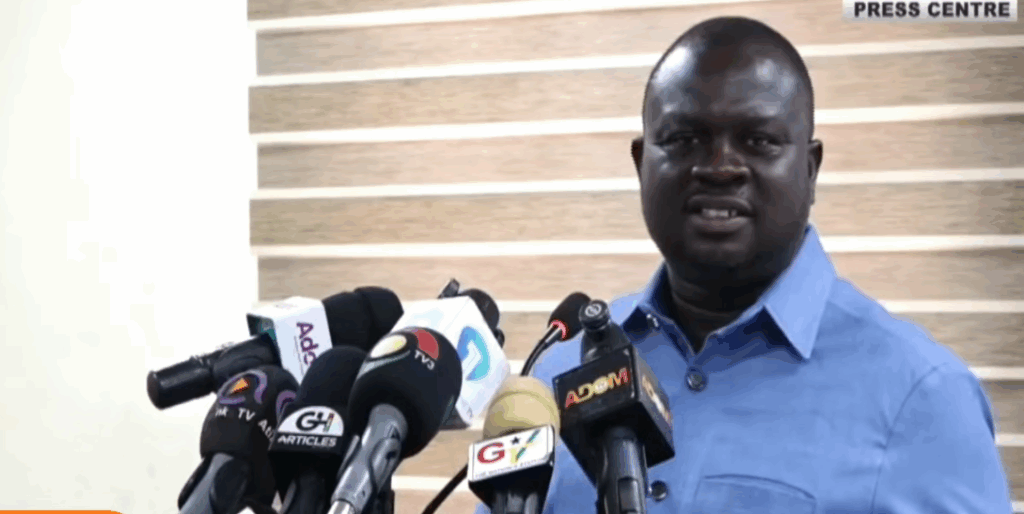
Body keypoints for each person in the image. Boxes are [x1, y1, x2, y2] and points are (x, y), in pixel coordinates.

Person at [473, 16, 1012, 514]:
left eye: (758, 141)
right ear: (642, 165)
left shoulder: (923, 397)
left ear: (810, 169)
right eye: (684, 139)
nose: (719, 167)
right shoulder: (555, 376)